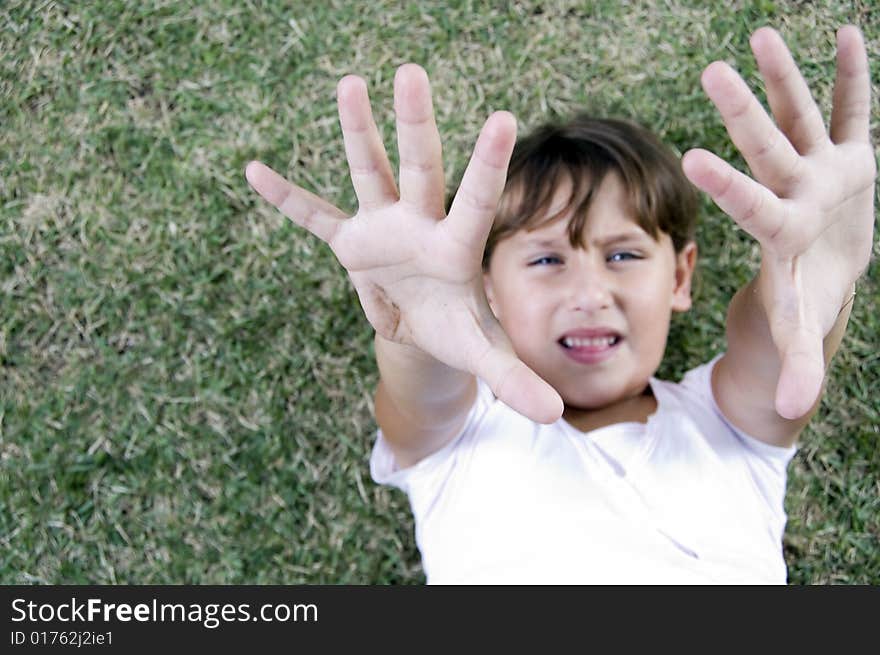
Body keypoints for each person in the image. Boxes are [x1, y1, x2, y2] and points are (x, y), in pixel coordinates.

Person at [244, 26, 875, 583]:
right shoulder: (457, 435)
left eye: (623, 255)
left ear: (681, 278)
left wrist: (813, 282)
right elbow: (421, 394)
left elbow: (774, 344)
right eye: (546, 260)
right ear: (485, 286)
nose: (590, 294)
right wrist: (413, 333)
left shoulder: (729, 425)